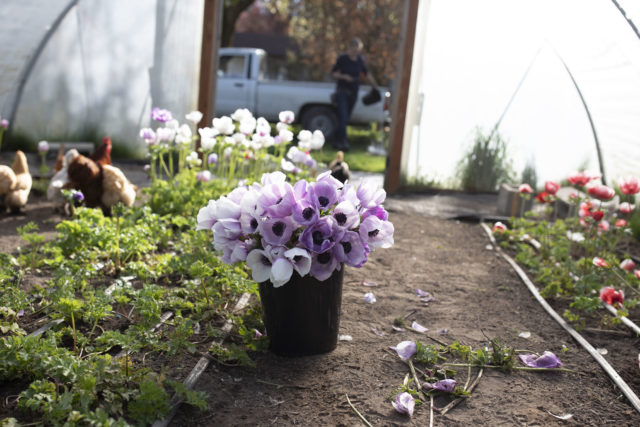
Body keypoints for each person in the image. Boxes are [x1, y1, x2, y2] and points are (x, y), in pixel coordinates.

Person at [331, 38, 378, 151]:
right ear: (350, 48)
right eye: (354, 50)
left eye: (358, 50)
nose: (355, 52)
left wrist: (375, 86)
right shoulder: (343, 59)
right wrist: (344, 77)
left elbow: (366, 74)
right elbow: (334, 73)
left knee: (345, 118)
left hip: (353, 93)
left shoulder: (360, 60)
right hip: (342, 91)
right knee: (343, 117)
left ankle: (336, 141)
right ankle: (343, 142)